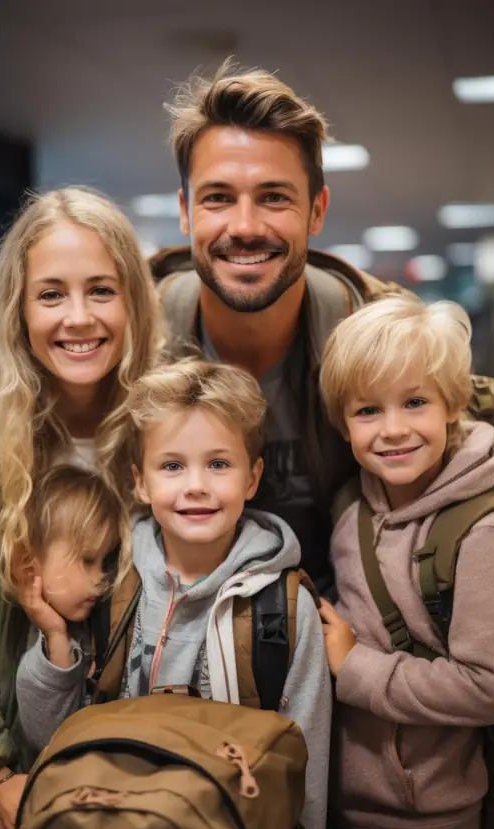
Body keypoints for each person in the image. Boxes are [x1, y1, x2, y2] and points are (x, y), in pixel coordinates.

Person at [16, 358, 332, 829]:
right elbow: (48, 737)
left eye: (218, 464)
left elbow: (304, 779)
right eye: (171, 466)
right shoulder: (107, 586)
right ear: (139, 481)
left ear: (253, 477)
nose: (196, 486)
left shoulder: (284, 609)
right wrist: (55, 639)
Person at [0, 186, 163, 829]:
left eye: (101, 290)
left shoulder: (169, 437)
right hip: (22, 811)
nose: (79, 317)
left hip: (154, 799)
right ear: (19, 312)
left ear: (133, 305)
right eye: (51, 294)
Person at [150, 59, 407, 597]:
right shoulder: (130, 349)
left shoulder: (391, 347)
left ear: (316, 211)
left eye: (274, 197)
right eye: (218, 197)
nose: (244, 227)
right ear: (185, 212)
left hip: (354, 657)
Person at [317, 296, 494, 829]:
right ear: (343, 423)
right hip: (346, 813)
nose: (393, 429)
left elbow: (489, 686)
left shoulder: (482, 532)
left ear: (452, 404)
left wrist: (354, 667)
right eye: (367, 410)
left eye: (415, 401)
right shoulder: (352, 509)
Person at [12, 465, 123, 670]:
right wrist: (55, 635)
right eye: (88, 560)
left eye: (104, 561)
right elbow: (54, 703)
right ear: (29, 563)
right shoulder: (34, 645)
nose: (101, 577)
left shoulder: (94, 624)